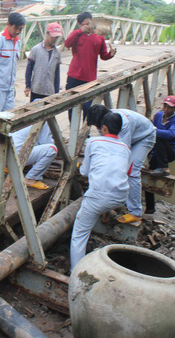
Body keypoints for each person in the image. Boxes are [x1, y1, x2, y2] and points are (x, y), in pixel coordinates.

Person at [70, 112, 131, 271]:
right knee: (104, 200)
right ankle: (105, 214)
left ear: (104, 127)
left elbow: (84, 172)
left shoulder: (93, 141)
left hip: (98, 197)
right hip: (120, 197)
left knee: (79, 235)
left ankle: (75, 272)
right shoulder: (126, 148)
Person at [86, 104, 156, 224]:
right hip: (133, 137)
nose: (98, 128)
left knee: (131, 171)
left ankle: (135, 212)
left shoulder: (123, 124)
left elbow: (120, 152)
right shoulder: (105, 121)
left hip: (144, 138)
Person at [64, 12, 116, 118]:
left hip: (90, 78)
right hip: (74, 75)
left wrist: (110, 55)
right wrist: (80, 31)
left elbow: (103, 55)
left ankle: (84, 133)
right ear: (79, 24)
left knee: (88, 108)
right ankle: (73, 132)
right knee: (71, 106)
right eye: (85, 24)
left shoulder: (99, 37)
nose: (88, 26)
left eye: (89, 23)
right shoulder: (77, 34)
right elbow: (67, 44)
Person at [145, 95, 175, 214]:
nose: (167, 109)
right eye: (165, 106)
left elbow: (170, 134)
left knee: (161, 137)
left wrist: (152, 130)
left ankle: (164, 168)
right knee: (149, 179)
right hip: (157, 152)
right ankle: (150, 208)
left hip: (170, 152)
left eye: (170, 108)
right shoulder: (158, 116)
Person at [0, 12, 26, 113]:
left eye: (20, 29)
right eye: (16, 28)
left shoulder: (17, 42)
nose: (18, 31)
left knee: (8, 117)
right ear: (8, 24)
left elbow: (12, 67)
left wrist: (12, 86)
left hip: (9, 88)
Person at [10, 122, 58, 190]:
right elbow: (46, 142)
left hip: (6, 156)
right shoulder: (45, 120)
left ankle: (8, 167)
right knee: (52, 150)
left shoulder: (26, 114)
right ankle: (30, 178)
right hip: (17, 157)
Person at [24, 22, 63, 102]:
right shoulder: (36, 49)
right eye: (53, 37)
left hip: (50, 90)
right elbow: (29, 69)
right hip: (37, 88)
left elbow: (57, 73)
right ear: (47, 33)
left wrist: (56, 91)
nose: (54, 39)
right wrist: (28, 85)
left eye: (56, 37)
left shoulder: (57, 53)